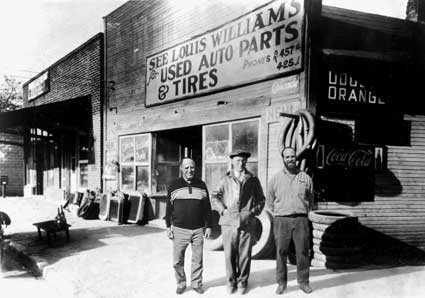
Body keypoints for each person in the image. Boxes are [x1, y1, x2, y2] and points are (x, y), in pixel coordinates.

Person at [210, 150, 265, 295]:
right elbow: (214, 196)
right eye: (238, 160)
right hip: (228, 222)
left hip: (247, 222)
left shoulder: (252, 179)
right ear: (232, 162)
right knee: (229, 254)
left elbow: (261, 199)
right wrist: (223, 210)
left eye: (243, 161)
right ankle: (231, 282)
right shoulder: (225, 179)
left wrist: (252, 212)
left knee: (245, 254)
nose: (241, 163)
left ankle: (242, 283)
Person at [266, 147, 314, 294]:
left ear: (296, 158)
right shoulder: (275, 179)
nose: (290, 159)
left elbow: (311, 199)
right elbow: (270, 200)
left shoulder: (305, 178)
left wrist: (303, 211)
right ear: (283, 159)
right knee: (281, 252)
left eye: (292, 157)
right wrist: (280, 213)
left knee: (303, 252)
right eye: (287, 157)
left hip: (301, 220)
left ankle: (304, 282)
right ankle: (281, 283)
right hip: (282, 221)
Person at [165, 157, 212, 295]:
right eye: (186, 167)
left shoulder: (202, 185)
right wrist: (168, 227)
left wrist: (208, 226)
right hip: (180, 229)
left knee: (198, 259)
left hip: (198, 229)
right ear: (181, 169)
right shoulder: (173, 185)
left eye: (192, 167)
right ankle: (181, 283)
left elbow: (207, 208)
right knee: (177, 260)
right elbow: (169, 208)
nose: (189, 170)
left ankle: (196, 283)